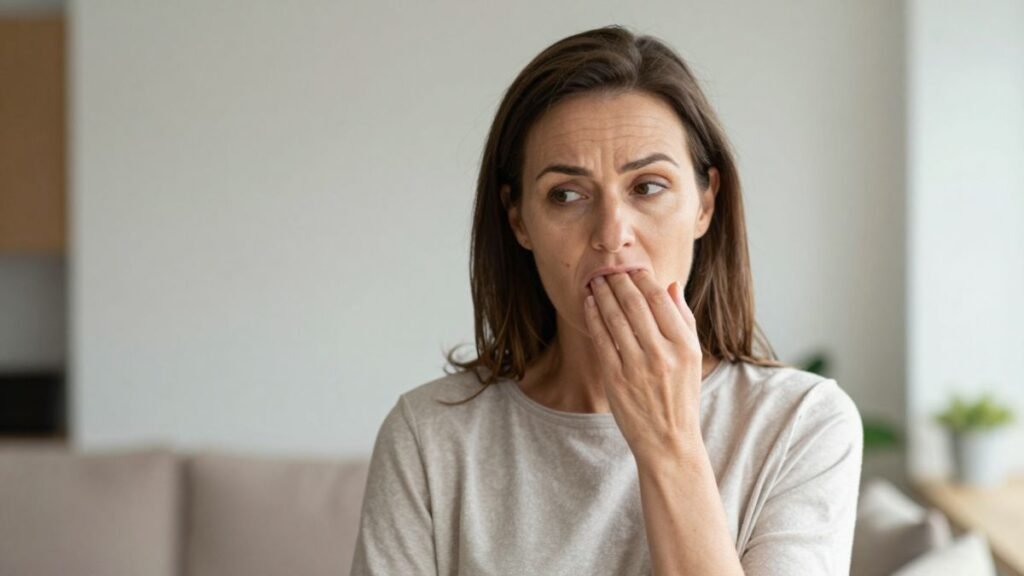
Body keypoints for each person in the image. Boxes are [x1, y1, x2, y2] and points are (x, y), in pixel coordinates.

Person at [350, 25, 862, 576]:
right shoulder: (428, 436)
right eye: (567, 194)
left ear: (705, 203)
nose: (611, 234)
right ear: (519, 219)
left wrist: (668, 443)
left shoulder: (801, 424)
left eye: (647, 186)